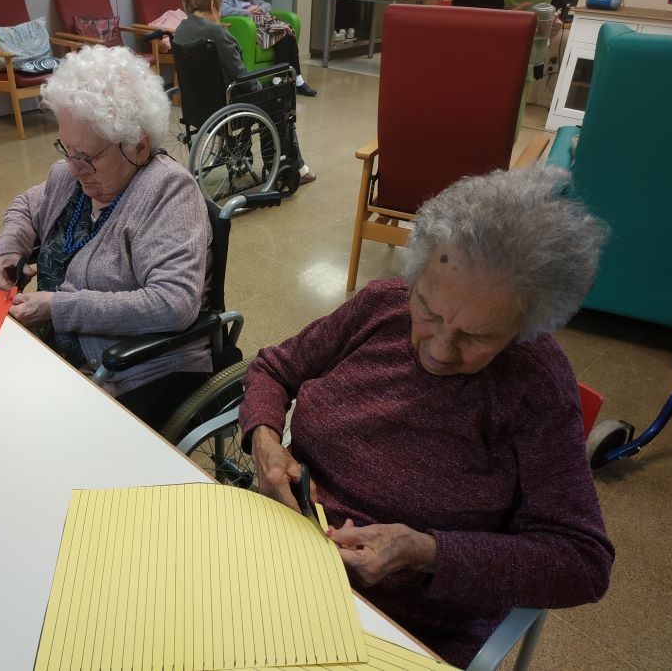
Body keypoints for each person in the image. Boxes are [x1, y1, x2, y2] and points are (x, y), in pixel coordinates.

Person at [238, 166, 615, 667]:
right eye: (429, 312)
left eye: (476, 336)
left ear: (526, 327)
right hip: (277, 553)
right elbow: (273, 369)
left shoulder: (538, 387)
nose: (439, 350)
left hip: (400, 623)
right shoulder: (382, 306)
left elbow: (582, 561)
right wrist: (265, 440)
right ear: (415, 277)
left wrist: (425, 552)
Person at [0, 45, 212, 428]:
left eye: (88, 157)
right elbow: (26, 206)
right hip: (56, 351)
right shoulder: (70, 176)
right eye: (67, 149)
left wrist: (59, 307)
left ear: (138, 145)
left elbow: (174, 303)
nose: (74, 169)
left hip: (133, 368)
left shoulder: (169, 192)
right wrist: (10, 247)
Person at [176, 0, 316, 186]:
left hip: (198, 109)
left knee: (264, 95)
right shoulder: (217, 33)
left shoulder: (181, 30)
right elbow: (242, 79)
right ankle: (289, 167)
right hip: (227, 110)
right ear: (213, 4)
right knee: (278, 98)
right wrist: (261, 89)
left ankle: (243, 150)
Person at [220, 0, 316, 97]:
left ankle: (282, 80)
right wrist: (247, 11)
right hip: (255, 28)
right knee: (286, 31)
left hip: (266, 24)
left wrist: (259, 8)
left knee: (288, 35)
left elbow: (268, 6)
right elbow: (224, 10)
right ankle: (295, 81)